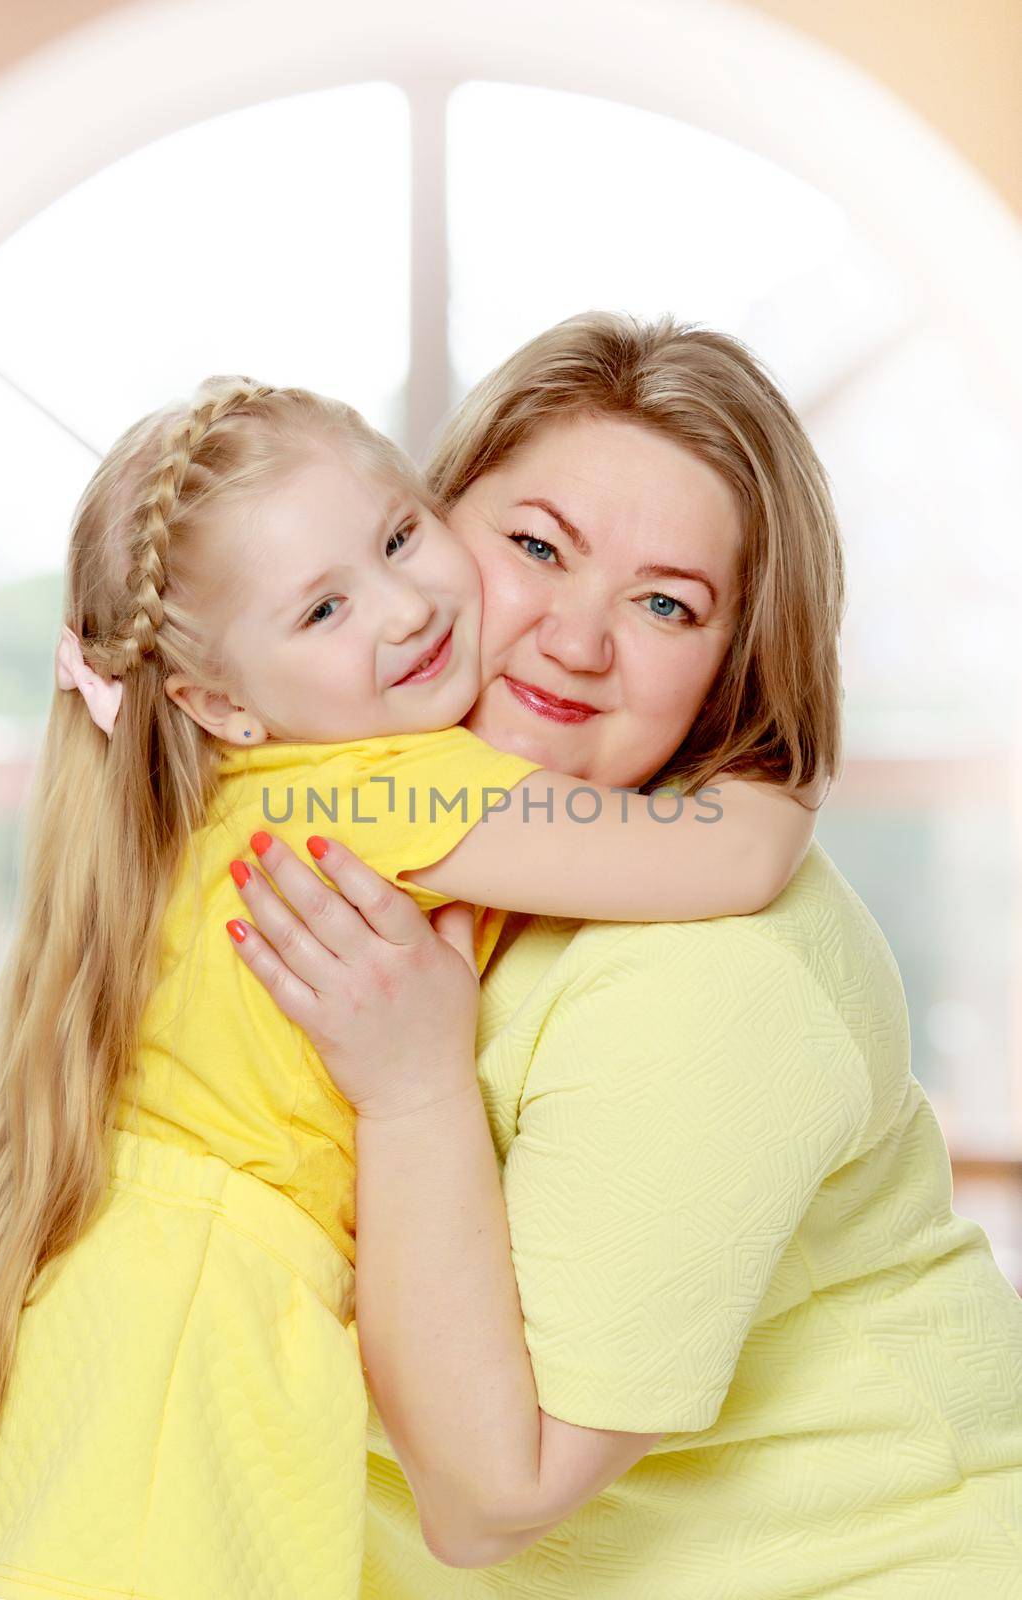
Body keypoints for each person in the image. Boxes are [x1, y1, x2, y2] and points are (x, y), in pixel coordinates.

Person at [0, 362, 816, 1600]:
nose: (403, 612)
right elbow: (735, 853)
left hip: (132, 1301)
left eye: (401, 537)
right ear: (216, 703)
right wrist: (783, 740)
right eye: (321, 612)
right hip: (202, 1326)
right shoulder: (390, 789)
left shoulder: (243, 800)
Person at [234, 312, 1022, 1598]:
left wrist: (413, 1085)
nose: (576, 641)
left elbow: (493, 1495)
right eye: (535, 547)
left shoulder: (714, 976)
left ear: (726, 668)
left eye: (664, 603)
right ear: (415, 536)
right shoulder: (379, 825)